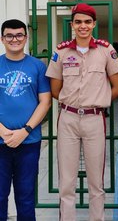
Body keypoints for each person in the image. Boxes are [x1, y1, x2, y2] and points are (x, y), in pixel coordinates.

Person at [46, 3, 118, 221]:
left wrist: (99, 102)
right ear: (72, 24)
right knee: (67, 180)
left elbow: (117, 86)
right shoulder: (61, 51)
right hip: (68, 118)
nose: (83, 26)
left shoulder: (105, 50)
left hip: (94, 119)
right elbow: (55, 88)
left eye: (87, 22)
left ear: (94, 24)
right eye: (78, 22)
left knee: (96, 180)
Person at [0, 19, 51, 221]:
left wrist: (25, 131)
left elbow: (45, 102)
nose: (15, 39)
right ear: (2, 38)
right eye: (10, 35)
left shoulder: (37, 66)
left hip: (29, 142)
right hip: (0, 141)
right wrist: (2, 130)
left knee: (26, 196)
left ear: (26, 37)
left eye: (19, 35)